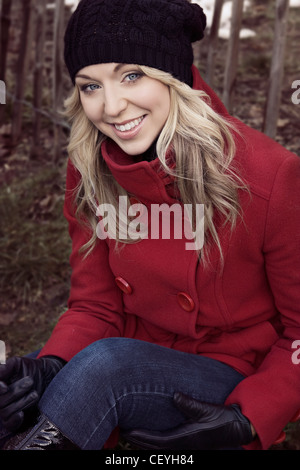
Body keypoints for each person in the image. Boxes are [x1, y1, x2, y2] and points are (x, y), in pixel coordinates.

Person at [0, 0, 300, 451]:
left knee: (108, 367)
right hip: (120, 366)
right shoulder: (90, 168)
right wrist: (50, 368)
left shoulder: (268, 176)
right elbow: (96, 306)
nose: (112, 107)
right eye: (89, 86)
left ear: (173, 77)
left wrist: (249, 417)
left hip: (230, 376)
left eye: (131, 75)